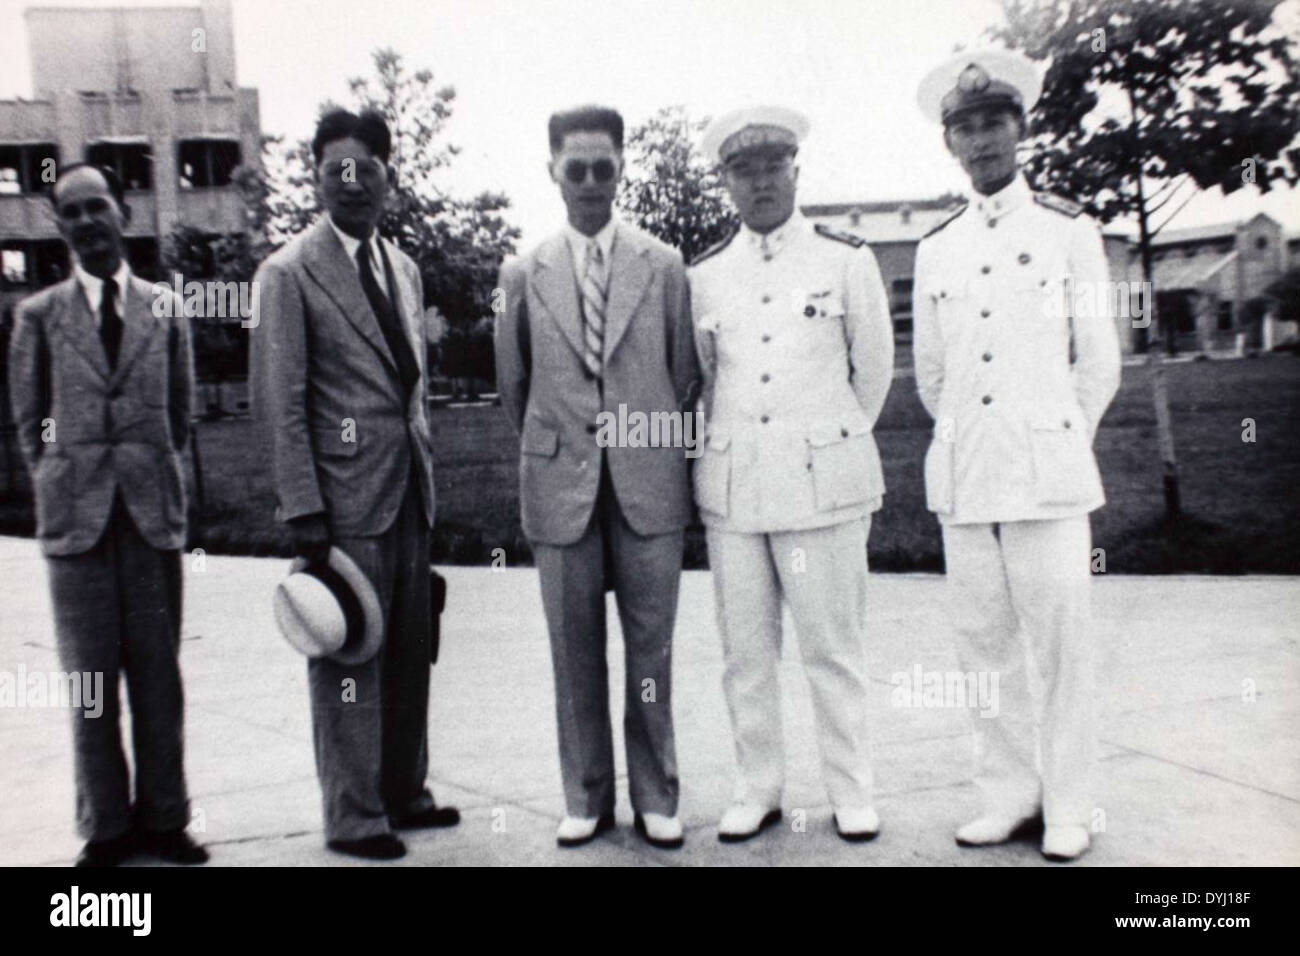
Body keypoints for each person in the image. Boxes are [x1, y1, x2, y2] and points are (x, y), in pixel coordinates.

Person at [913, 48, 1122, 861]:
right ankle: (1006, 795)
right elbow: (933, 373)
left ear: (1021, 129)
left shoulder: (1070, 229)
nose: (982, 140)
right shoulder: (936, 247)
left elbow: (1096, 360)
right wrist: (976, 434)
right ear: (950, 146)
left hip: (1049, 476)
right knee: (981, 647)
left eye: (995, 122)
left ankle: (1070, 805)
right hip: (966, 478)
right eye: (966, 128)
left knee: (1062, 646)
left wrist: (1054, 438)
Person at [249, 109, 458, 861]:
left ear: (387, 176)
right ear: (316, 177)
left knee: (408, 650)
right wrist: (302, 506)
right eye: (337, 169)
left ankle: (404, 790)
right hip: (340, 504)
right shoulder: (287, 273)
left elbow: (412, 388)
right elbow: (280, 401)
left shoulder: (401, 267)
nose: (353, 183)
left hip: (407, 494)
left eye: (367, 168)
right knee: (346, 657)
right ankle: (353, 814)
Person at [494, 105, 699, 850]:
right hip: (560, 488)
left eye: (602, 167)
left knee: (652, 649)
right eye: (574, 168)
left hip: (648, 485)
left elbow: (683, 378)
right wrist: (567, 447)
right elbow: (515, 389)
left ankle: (656, 795)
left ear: (622, 167)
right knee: (573, 649)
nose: (589, 182)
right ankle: (585, 795)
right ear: (552, 170)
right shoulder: (521, 273)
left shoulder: (664, 265)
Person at [691, 106, 895, 843]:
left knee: (833, 650)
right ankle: (757, 786)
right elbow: (706, 381)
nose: (761, 182)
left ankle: (852, 790)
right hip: (736, 492)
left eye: (774, 167)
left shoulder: (846, 260)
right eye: (744, 171)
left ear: (796, 172)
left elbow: (871, 375)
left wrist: (827, 444)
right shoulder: (706, 275)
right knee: (745, 653)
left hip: (823, 489)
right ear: (727, 184)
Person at [7, 163, 205, 866]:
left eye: (98, 207)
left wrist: (149, 470)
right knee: (91, 683)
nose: (87, 222)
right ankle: (106, 829)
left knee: (157, 677)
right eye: (72, 212)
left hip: (150, 516)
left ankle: (166, 818)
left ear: (123, 214)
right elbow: (30, 423)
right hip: (77, 525)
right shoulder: (38, 317)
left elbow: (181, 416)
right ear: (60, 226)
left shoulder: (165, 309)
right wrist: (59, 477)